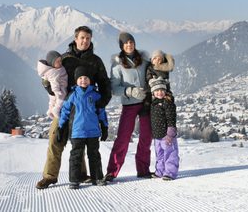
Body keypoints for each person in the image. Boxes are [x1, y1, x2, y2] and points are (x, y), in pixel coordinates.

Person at [36, 26, 112, 189]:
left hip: (86, 107)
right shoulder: (65, 59)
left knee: (82, 141)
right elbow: (50, 76)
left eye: (88, 38)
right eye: (82, 37)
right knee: (56, 137)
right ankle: (49, 176)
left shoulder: (95, 61)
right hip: (65, 105)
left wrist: (101, 102)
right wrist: (48, 87)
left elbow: (105, 83)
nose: (85, 41)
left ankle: (82, 174)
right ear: (75, 38)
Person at [104, 32, 152, 182]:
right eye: (126, 43)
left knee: (146, 137)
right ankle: (112, 171)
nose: (129, 45)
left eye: (131, 42)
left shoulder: (144, 61)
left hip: (145, 104)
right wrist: (129, 91)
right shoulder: (117, 65)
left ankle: (143, 170)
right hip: (129, 104)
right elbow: (114, 88)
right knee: (123, 138)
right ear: (122, 46)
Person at [58, 66, 108, 189]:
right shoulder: (72, 95)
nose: (83, 80)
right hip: (77, 132)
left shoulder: (96, 96)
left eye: (86, 78)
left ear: (90, 80)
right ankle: (74, 180)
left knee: (94, 155)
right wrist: (61, 126)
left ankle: (97, 177)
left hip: (93, 132)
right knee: (76, 156)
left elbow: (101, 112)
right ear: (76, 80)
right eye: (80, 78)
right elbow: (65, 111)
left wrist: (104, 127)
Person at [148, 76, 179, 180]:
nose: (159, 92)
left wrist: (170, 133)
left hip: (167, 135)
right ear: (153, 92)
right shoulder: (154, 103)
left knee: (170, 153)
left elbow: (171, 119)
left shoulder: (168, 103)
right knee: (159, 154)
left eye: (162, 90)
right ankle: (160, 171)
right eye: (157, 90)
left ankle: (170, 172)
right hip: (157, 135)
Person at [37, 50, 68, 119]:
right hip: (59, 89)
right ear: (52, 63)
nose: (60, 63)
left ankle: (50, 110)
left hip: (55, 90)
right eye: (57, 61)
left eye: (60, 60)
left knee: (52, 100)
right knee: (61, 99)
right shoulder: (53, 72)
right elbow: (54, 83)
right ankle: (56, 109)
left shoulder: (54, 69)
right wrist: (57, 91)